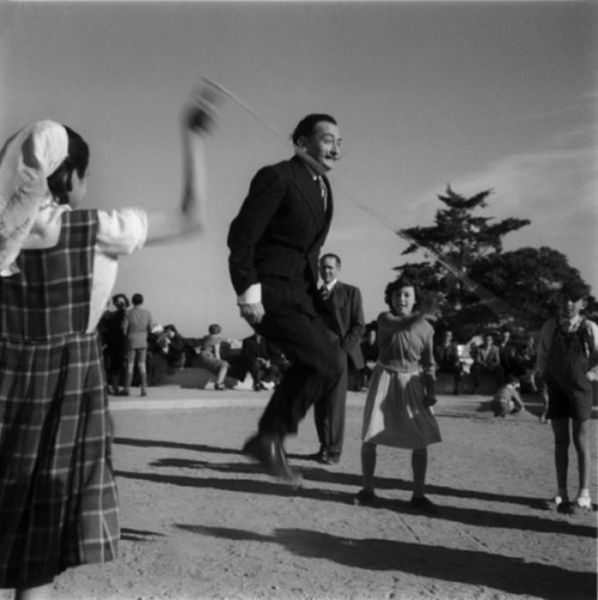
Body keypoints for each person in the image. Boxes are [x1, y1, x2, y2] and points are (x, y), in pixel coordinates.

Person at [0, 86, 218, 598]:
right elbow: (191, 217)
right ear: (70, 177)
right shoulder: (96, 229)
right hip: (64, 389)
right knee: (41, 539)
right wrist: (193, 137)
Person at [227, 113, 345, 483]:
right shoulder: (277, 177)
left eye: (339, 143)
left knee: (329, 362)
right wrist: (247, 291)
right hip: (273, 292)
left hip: (303, 295)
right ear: (302, 142)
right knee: (323, 360)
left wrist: (318, 293)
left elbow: (309, 250)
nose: (336, 149)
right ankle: (268, 439)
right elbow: (242, 236)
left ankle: (268, 438)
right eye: (328, 139)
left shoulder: (323, 187)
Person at [354, 276, 441, 514]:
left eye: (406, 295)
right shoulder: (385, 319)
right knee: (370, 435)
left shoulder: (426, 329)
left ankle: (418, 495)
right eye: (397, 295)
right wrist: (422, 315)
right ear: (390, 299)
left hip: (411, 383)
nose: (401, 299)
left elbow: (429, 363)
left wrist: (431, 390)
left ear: (414, 299)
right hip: (384, 379)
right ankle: (368, 490)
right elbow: (399, 326)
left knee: (420, 439)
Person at [535, 282, 598, 515]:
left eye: (574, 300)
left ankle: (584, 496)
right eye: (564, 299)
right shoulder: (550, 327)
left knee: (581, 441)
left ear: (583, 304)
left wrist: (591, 375)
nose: (568, 304)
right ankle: (561, 493)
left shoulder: (589, 328)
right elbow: (542, 355)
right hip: (556, 389)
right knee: (560, 441)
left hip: (580, 389)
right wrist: (542, 379)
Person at [314, 252, 365, 464]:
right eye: (322, 267)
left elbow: (359, 325)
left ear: (338, 269)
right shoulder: (314, 295)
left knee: (335, 404)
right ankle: (323, 445)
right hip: (317, 354)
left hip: (339, 354)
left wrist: (343, 350)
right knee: (319, 403)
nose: (326, 271)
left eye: (330, 267)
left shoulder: (351, 292)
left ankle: (334, 451)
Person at [98, 293, 129, 395]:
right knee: (114, 366)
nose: (120, 304)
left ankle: (113, 387)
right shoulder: (114, 315)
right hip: (115, 343)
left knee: (115, 366)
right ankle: (114, 387)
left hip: (117, 343)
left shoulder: (113, 315)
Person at [123, 293, 154, 396]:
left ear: (132, 301)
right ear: (142, 301)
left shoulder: (128, 313)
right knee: (142, 365)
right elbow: (151, 328)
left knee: (130, 366)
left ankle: (127, 389)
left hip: (131, 341)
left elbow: (124, 329)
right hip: (142, 341)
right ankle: (143, 389)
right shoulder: (147, 313)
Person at [195, 324, 230, 390]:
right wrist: (219, 361)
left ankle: (217, 382)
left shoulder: (206, 337)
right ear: (219, 331)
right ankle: (219, 384)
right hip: (207, 356)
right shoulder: (216, 340)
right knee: (224, 364)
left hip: (201, 356)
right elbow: (217, 353)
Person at [433, 329, 462, 395]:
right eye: (446, 335)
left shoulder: (453, 346)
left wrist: (456, 362)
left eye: (449, 336)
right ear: (443, 336)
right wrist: (435, 363)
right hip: (440, 365)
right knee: (433, 369)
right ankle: (430, 388)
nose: (447, 337)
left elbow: (456, 357)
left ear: (451, 337)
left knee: (457, 368)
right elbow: (435, 357)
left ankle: (457, 388)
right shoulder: (438, 346)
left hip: (450, 365)